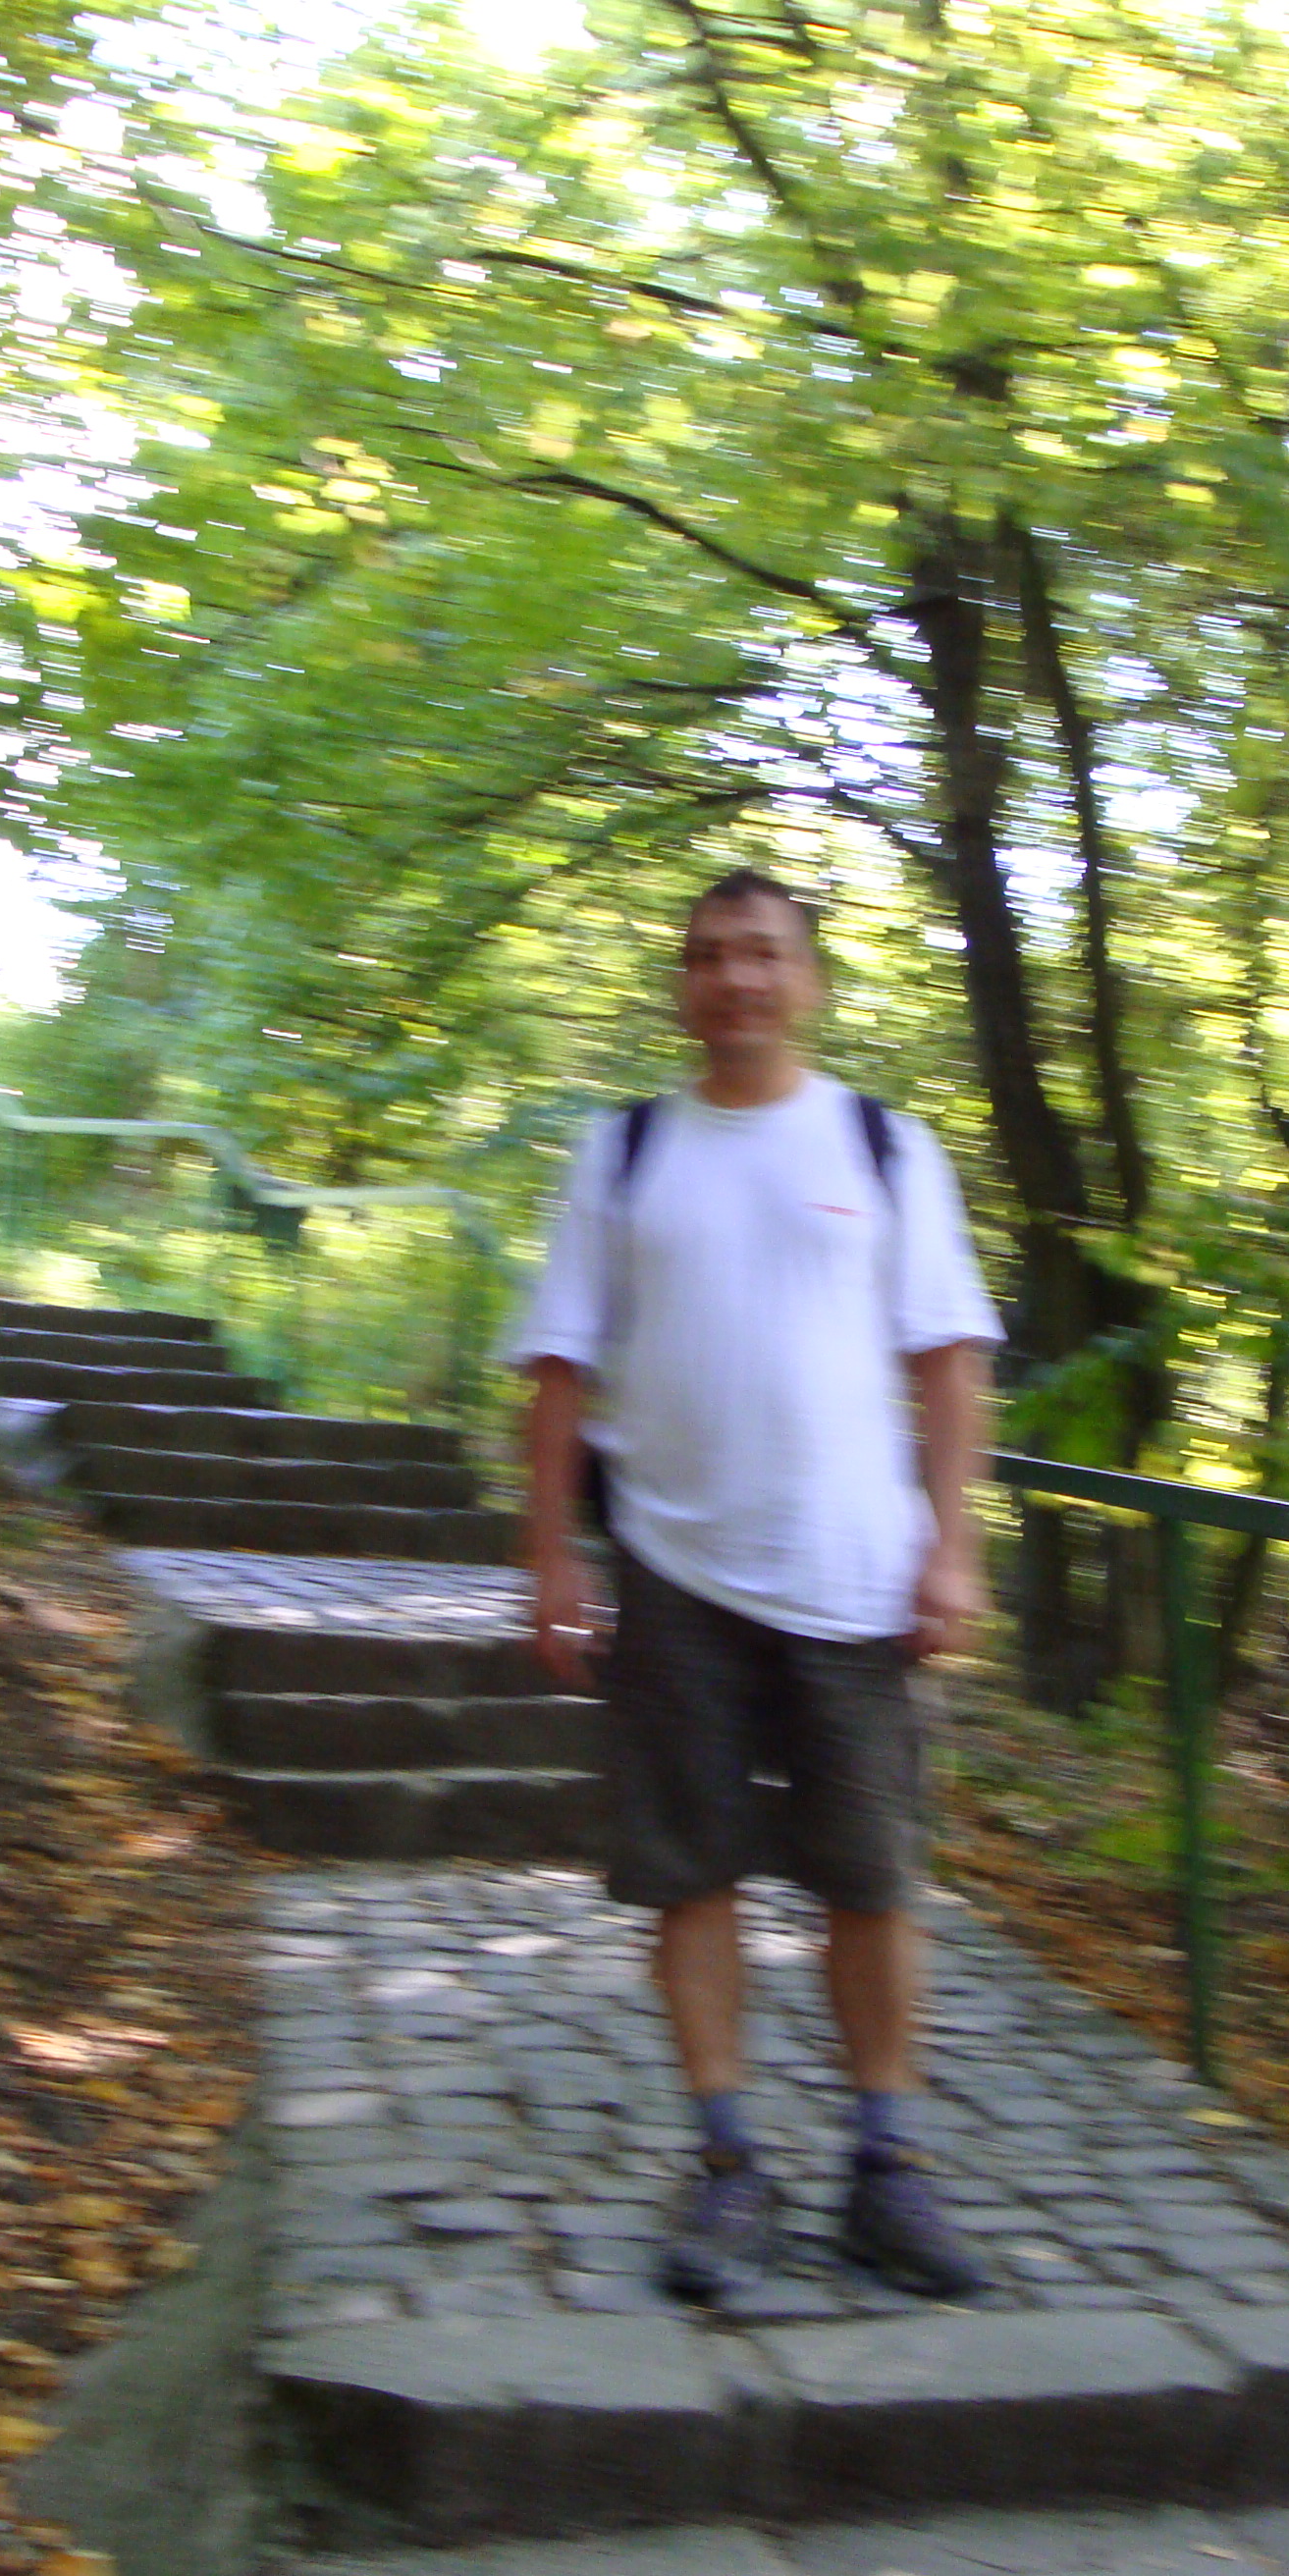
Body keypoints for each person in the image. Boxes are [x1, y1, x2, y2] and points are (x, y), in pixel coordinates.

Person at [509, 866, 999, 2302]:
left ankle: (887, 2168)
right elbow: (559, 1366)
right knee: (690, 1874)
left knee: (873, 1879)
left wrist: (954, 1543)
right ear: (684, 985)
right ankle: (728, 2164)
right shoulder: (625, 1153)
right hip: (674, 1573)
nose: (737, 978)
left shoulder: (884, 1146)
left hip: (857, 1577)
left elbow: (950, 1362)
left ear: (810, 981)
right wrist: (551, 1551)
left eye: (764, 954)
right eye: (710, 955)